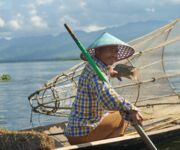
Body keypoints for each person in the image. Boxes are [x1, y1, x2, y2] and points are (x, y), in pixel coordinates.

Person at [64, 32, 143, 145]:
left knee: (117, 111)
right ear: (98, 52)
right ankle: (109, 145)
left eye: (116, 51)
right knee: (122, 116)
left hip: (75, 131)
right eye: (110, 51)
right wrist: (132, 109)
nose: (114, 55)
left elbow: (107, 71)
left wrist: (111, 72)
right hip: (82, 133)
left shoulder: (97, 66)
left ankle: (105, 141)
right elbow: (108, 98)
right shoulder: (96, 73)